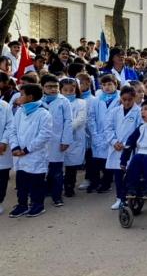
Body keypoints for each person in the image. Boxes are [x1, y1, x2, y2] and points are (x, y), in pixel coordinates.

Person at [7, 84, 54, 218]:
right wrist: (15, 147)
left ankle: (37, 205)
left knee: (36, 183)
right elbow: (13, 130)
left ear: (30, 97)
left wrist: (27, 150)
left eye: (22, 94)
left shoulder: (43, 113)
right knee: (21, 183)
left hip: (35, 154)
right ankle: (22, 205)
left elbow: (44, 135)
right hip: (20, 154)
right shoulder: (21, 112)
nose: (19, 97)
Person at [104, 86, 141, 210]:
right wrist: (114, 142)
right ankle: (120, 198)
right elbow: (108, 128)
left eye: (129, 100)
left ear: (134, 98)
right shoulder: (115, 111)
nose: (126, 102)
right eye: (124, 99)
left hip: (130, 149)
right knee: (118, 175)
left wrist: (126, 144)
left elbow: (139, 131)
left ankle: (130, 198)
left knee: (130, 175)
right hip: (116, 148)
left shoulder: (139, 112)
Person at [40, 74, 73, 208]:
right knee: (41, 170)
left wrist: (65, 140)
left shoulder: (63, 101)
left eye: (55, 86)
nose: (53, 89)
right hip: (41, 142)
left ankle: (57, 196)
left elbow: (68, 121)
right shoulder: (38, 101)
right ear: (42, 88)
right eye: (49, 87)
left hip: (57, 141)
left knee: (57, 171)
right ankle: (44, 192)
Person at [87, 75, 120, 193]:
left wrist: (114, 135)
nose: (107, 87)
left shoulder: (120, 99)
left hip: (113, 135)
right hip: (98, 133)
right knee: (96, 161)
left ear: (115, 85)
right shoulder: (97, 100)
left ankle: (106, 183)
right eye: (104, 85)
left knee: (109, 161)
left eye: (110, 84)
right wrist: (94, 133)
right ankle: (94, 182)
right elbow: (91, 117)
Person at [60, 78, 87, 198]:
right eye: (65, 90)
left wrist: (66, 129)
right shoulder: (58, 102)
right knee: (57, 165)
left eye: (71, 90)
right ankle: (55, 187)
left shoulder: (81, 103)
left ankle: (69, 187)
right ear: (61, 91)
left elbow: (80, 120)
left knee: (71, 166)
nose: (69, 92)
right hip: (59, 138)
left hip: (75, 139)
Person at [0, 95, 13, 215]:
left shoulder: (4, 105)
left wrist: (3, 141)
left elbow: (10, 125)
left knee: (1, 176)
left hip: (1, 147)